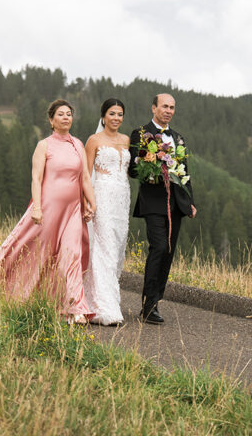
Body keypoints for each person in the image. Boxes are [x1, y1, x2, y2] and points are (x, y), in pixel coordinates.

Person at [0, 99, 96, 324]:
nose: (66, 117)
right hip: (48, 208)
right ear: (51, 120)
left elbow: (86, 178)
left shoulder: (78, 145)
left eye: (69, 114)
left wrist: (92, 203)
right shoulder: (44, 145)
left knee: (72, 254)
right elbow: (36, 178)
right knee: (30, 251)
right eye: (60, 114)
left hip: (72, 210)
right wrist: (38, 208)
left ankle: (75, 308)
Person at [128, 92, 196, 324]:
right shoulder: (140, 133)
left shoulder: (178, 138)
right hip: (153, 202)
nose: (168, 110)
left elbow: (185, 172)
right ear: (154, 108)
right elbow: (132, 170)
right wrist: (148, 160)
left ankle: (156, 302)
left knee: (168, 252)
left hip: (175, 203)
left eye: (172, 107)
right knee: (158, 247)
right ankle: (147, 306)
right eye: (164, 106)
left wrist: (190, 202)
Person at [82, 98, 130, 325]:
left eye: (120, 114)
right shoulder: (94, 140)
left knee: (118, 249)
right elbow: (86, 173)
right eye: (112, 113)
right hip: (101, 197)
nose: (116, 118)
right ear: (103, 116)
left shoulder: (126, 140)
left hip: (122, 199)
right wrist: (88, 202)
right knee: (104, 248)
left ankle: (107, 298)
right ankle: (103, 307)